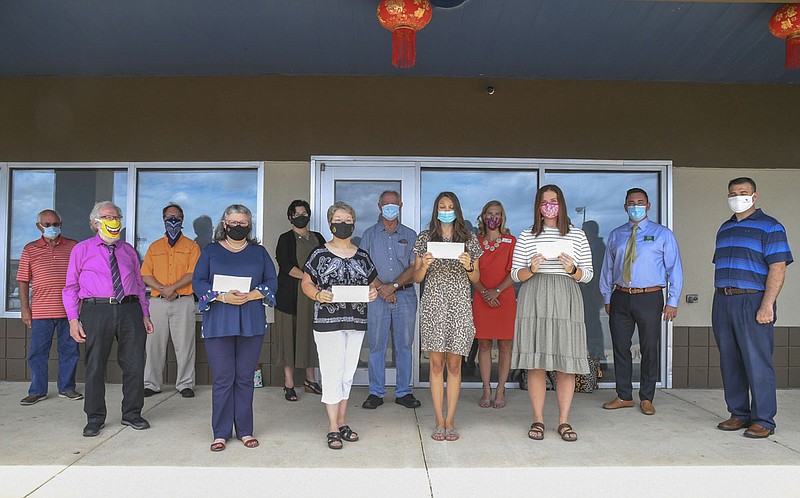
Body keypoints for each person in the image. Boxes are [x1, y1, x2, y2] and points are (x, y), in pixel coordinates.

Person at [63, 201, 154, 437]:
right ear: (95, 223)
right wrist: (73, 320)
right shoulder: (81, 250)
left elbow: (139, 284)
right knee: (94, 366)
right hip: (96, 310)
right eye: (107, 217)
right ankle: (94, 417)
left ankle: (132, 413)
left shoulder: (129, 250)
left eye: (116, 216)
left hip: (130, 309)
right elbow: (70, 287)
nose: (113, 220)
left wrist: (145, 314)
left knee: (134, 364)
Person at [509, 185, 593, 442]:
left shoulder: (577, 236)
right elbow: (515, 274)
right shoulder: (526, 235)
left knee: (565, 363)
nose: (549, 205)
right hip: (534, 294)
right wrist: (531, 268)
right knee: (537, 363)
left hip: (566, 295)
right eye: (544, 201)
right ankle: (538, 419)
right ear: (537, 206)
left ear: (562, 204)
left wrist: (572, 269)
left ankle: (564, 421)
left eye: (553, 201)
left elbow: (587, 275)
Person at [712, 177, 792, 439]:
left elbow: (778, 268)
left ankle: (763, 420)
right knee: (730, 361)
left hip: (753, 300)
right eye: (733, 193)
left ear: (755, 196)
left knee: (757, 362)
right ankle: (738, 413)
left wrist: (767, 305)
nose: (738, 197)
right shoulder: (724, 228)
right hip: (723, 299)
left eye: (743, 192)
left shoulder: (770, 227)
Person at [192, 204, 277, 452]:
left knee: (244, 378)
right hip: (219, 321)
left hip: (251, 320)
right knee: (222, 379)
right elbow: (198, 281)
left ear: (249, 225)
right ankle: (220, 433)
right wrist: (220, 296)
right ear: (224, 224)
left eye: (242, 223)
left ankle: (245, 430)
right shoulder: (210, 251)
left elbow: (272, 280)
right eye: (233, 222)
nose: (237, 227)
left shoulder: (259, 252)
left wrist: (254, 295)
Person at [301, 201, 378, 450]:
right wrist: (317, 295)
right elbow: (306, 283)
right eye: (339, 219)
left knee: (347, 373)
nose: (343, 224)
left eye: (348, 220)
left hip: (355, 322)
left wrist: (373, 293)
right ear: (330, 223)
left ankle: (343, 420)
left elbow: (372, 285)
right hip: (327, 323)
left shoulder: (363, 256)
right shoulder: (319, 254)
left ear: (354, 224)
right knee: (332, 372)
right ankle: (332, 426)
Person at [599, 188, 683, 415]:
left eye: (640, 202)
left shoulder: (662, 234)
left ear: (648, 205)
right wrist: (608, 296)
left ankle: (647, 397)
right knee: (620, 348)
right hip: (621, 296)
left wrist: (672, 301)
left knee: (649, 348)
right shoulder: (616, 234)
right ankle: (624, 395)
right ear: (625, 207)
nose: (635, 206)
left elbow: (674, 269)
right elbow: (607, 268)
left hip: (650, 296)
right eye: (631, 202)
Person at [413, 192, 482, 441]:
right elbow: (417, 278)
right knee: (435, 364)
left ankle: (451, 420)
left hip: (460, 305)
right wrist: (424, 265)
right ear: (435, 210)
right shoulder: (425, 238)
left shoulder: (469, 239)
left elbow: (476, 278)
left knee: (454, 364)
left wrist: (469, 266)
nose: (446, 210)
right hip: (433, 304)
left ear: (457, 210)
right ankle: (438, 420)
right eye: (442, 206)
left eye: (450, 206)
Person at [360, 190, 420, 410]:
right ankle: (376, 392)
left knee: (404, 345)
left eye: (394, 203)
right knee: (377, 346)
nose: (390, 207)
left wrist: (393, 286)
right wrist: (382, 289)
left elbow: (415, 267)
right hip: (376, 297)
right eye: (386, 204)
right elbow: (363, 266)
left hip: (404, 295)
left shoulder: (410, 235)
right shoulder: (369, 235)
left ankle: (403, 392)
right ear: (379, 206)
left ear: (401, 205)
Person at [17, 209, 81, 405]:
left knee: (70, 350)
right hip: (41, 311)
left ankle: (67, 388)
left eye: (55, 223)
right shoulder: (30, 249)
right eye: (47, 224)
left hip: (69, 311)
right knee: (37, 352)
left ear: (60, 223)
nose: (52, 228)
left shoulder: (73, 246)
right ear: (39, 226)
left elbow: (82, 276)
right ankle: (37, 390)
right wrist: (25, 308)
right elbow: (22, 280)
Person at [141, 203, 201, 398]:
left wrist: (172, 288)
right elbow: (145, 274)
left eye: (176, 217)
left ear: (182, 220)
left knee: (184, 345)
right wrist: (163, 289)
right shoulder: (154, 246)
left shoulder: (192, 247)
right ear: (163, 219)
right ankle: (151, 384)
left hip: (183, 301)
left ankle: (185, 384)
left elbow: (193, 272)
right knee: (154, 345)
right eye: (168, 217)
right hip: (157, 302)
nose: (172, 220)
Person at [274, 200, 325, 401]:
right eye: (297, 214)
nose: (301, 216)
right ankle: (289, 383)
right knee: (289, 337)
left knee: (310, 335)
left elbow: (326, 261)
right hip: (290, 296)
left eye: (305, 213)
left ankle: (310, 379)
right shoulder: (285, 238)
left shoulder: (318, 237)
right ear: (290, 217)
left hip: (313, 296)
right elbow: (285, 265)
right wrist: (307, 277)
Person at [472, 200, 516, 409]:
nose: (493, 217)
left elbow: (514, 272)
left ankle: (500, 389)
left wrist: (496, 291)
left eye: (497, 213)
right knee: (484, 344)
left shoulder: (510, 241)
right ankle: (487, 389)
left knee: (505, 345)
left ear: (502, 217)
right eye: (489, 213)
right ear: (483, 216)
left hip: (504, 298)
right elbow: (470, 272)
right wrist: (484, 292)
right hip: (481, 297)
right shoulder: (476, 242)